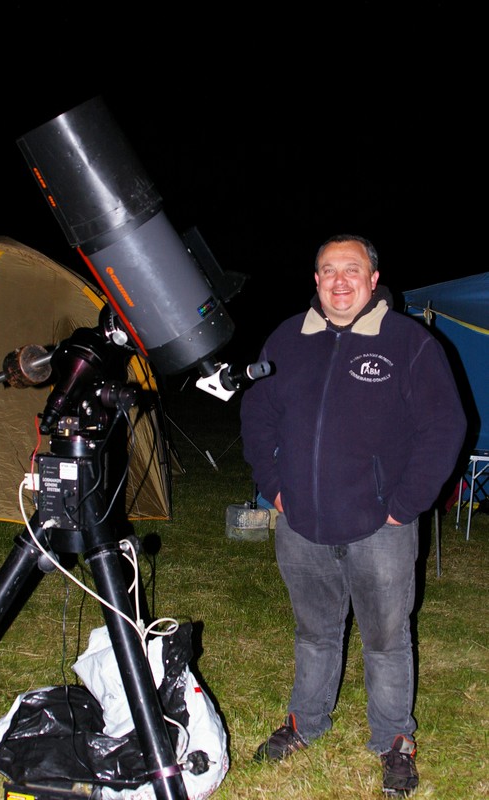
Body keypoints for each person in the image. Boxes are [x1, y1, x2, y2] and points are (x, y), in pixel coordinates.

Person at [240, 234, 467, 797]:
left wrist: (404, 505)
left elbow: (445, 427)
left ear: (372, 279)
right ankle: (305, 722)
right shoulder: (287, 339)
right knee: (314, 633)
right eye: (328, 270)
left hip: (381, 527)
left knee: (386, 639)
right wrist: (274, 488)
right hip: (302, 523)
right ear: (316, 280)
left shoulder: (409, 342)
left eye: (352, 270)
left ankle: (393, 740)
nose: (339, 280)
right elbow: (257, 415)